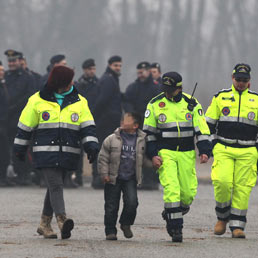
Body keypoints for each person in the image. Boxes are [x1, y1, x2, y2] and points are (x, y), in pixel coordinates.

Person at [13, 65, 99, 239]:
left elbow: (87, 127)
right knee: (56, 185)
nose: (72, 83)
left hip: (69, 153)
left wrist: (91, 147)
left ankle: (44, 224)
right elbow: (24, 127)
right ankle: (62, 219)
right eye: (69, 80)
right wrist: (20, 148)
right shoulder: (36, 100)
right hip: (45, 152)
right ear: (60, 82)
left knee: (53, 187)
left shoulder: (80, 101)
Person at [143, 72, 211, 242]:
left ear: (180, 88)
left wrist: (204, 150)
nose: (167, 93)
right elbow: (149, 134)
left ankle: (171, 213)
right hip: (165, 152)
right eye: (165, 89)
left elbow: (202, 129)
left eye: (171, 89)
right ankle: (176, 229)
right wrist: (152, 155)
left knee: (187, 194)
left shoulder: (192, 104)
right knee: (172, 189)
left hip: (187, 153)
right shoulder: (154, 104)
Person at [205, 63, 258, 239]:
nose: (241, 83)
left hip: (248, 149)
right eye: (238, 79)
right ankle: (222, 217)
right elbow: (208, 124)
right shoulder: (221, 97)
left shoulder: (256, 100)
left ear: (249, 81)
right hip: (224, 148)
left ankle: (237, 225)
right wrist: (210, 145)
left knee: (243, 188)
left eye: (245, 80)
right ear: (232, 78)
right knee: (222, 182)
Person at [98, 112, 149, 240]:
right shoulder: (112, 139)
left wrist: (155, 163)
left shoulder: (142, 140)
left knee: (132, 203)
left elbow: (143, 159)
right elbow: (103, 157)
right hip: (113, 177)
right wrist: (104, 174)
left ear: (135, 125)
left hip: (130, 179)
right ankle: (110, 231)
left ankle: (125, 223)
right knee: (111, 206)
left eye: (127, 120)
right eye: (123, 119)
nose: (123, 121)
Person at [123, 61, 162, 190]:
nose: (141, 74)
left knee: (151, 151)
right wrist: (132, 115)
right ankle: (139, 179)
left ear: (148, 72)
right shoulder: (133, 87)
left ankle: (151, 180)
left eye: (143, 72)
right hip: (137, 124)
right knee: (137, 152)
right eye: (139, 72)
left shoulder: (156, 87)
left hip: (153, 124)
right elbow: (127, 101)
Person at [4, 49, 36, 185]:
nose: (11, 64)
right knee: (9, 147)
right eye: (9, 61)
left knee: (23, 147)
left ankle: (25, 174)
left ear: (19, 61)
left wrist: (13, 107)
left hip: (22, 118)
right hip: (7, 119)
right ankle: (16, 173)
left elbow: (29, 97)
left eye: (14, 61)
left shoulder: (27, 77)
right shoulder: (5, 76)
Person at [92, 55, 123, 189]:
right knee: (104, 151)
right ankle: (99, 178)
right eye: (116, 65)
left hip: (108, 120)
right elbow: (102, 100)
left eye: (120, 65)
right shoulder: (109, 80)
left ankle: (102, 178)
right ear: (110, 65)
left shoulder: (111, 79)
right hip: (106, 121)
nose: (118, 68)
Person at [75, 58, 99, 186]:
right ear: (84, 70)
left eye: (94, 69)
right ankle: (78, 176)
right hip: (80, 120)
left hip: (93, 120)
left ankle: (96, 176)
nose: (92, 71)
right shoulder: (78, 85)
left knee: (94, 148)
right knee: (78, 150)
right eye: (90, 69)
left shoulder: (99, 83)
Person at [0, 61, 12, 186]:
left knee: (4, 153)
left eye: (3, 70)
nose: (2, 73)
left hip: (5, 123)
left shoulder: (3, 84)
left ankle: (3, 176)